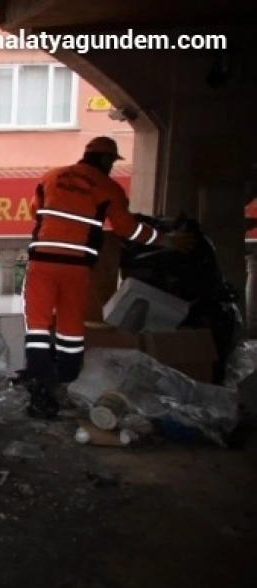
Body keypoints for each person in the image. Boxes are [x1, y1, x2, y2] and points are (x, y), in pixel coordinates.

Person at [21, 136, 194, 418]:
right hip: (76, 266)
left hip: (42, 261)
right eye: (112, 162)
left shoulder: (52, 177)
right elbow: (128, 229)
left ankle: (39, 386)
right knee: (70, 329)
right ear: (105, 160)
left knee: (38, 326)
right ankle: (65, 382)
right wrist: (165, 241)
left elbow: (34, 211)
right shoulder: (108, 187)